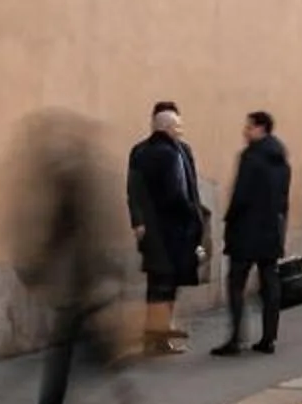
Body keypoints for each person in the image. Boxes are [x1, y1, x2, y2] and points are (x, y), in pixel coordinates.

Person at [13, 110, 120, 404]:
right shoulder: (74, 176)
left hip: (78, 282)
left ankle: (122, 392)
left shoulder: (65, 174)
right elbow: (73, 232)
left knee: (85, 344)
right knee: (63, 355)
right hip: (76, 283)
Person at [124, 102, 202, 355]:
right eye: (177, 126)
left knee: (168, 282)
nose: (181, 130)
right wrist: (138, 221)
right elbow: (133, 190)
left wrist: (195, 215)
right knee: (160, 283)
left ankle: (160, 334)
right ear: (166, 127)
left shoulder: (183, 150)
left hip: (172, 228)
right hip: (164, 229)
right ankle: (156, 337)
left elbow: (191, 186)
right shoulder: (142, 152)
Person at [212, 111, 291, 357]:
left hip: (246, 230)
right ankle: (269, 338)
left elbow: (241, 195)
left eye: (249, 127)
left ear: (261, 128)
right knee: (270, 285)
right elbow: (283, 200)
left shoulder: (251, 157)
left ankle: (236, 338)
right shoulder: (281, 160)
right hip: (271, 230)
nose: (245, 131)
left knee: (236, 284)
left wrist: (229, 220)